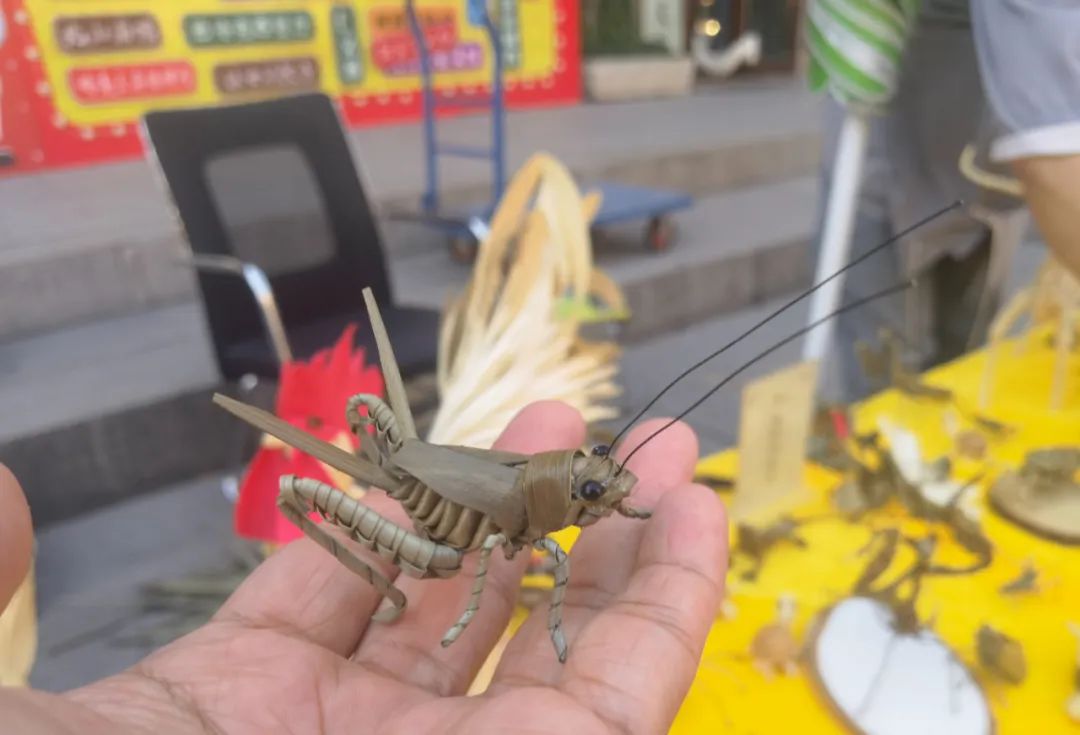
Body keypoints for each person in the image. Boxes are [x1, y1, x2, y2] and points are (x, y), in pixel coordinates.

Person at [0, 402, 728, 734]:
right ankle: (381, 583)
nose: (602, 495)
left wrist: (612, 499)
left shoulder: (556, 499)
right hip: (443, 533)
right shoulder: (526, 520)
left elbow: (553, 527)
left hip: (469, 503)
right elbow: (482, 559)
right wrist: (437, 600)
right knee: (299, 491)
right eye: (594, 490)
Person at [817, 1, 1080, 403]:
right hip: (893, 151)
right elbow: (1049, 156)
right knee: (885, 392)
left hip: (994, 180)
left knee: (966, 378)